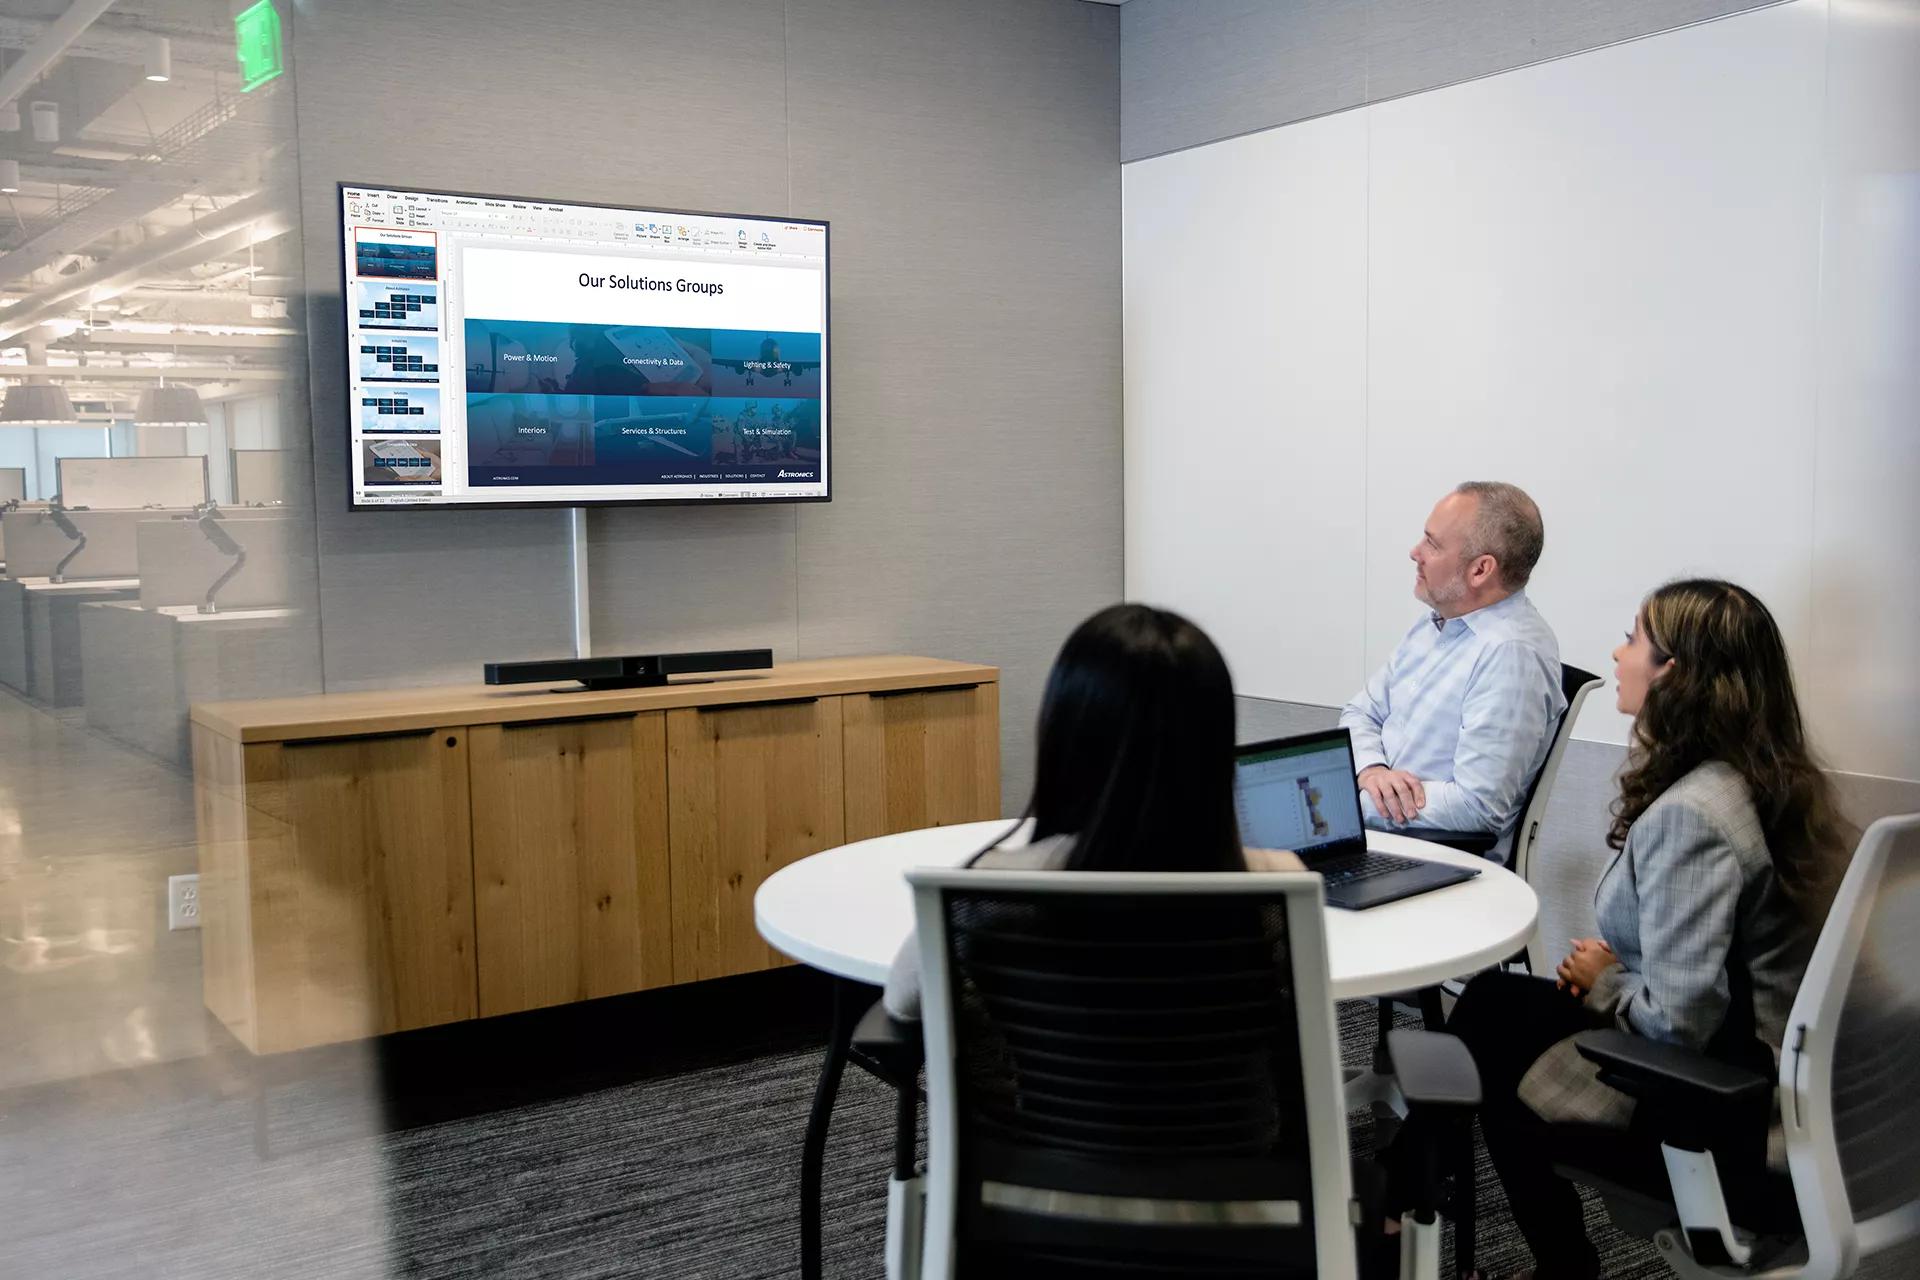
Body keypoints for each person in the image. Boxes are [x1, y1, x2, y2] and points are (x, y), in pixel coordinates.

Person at [1397, 579, 1852, 1280]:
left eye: (1633, 639)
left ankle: (1508, 1244)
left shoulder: (1693, 813)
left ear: (1675, 672)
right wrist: (1629, 959)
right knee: (1492, 1005)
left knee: (1500, 1062)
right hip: (1790, 1080)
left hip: (1720, 1110)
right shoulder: (1778, 782)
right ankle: (1410, 1191)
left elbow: (1678, 1024)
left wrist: (1608, 979)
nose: (1616, 652)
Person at [882, 602, 1302, 1022]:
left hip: (1046, 1091)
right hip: (1225, 1090)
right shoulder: (1275, 884)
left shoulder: (989, 891)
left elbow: (902, 1001)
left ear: (1064, 737)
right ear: (1213, 747)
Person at [1339, 481, 1564, 851]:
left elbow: (1478, 807)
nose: (1415, 552)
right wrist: (1371, 770)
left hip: (1435, 857)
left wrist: (1351, 805)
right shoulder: (1439, 620)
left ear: (1480, 570)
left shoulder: (1511, 654)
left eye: (1433, 543)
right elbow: (1361, 712)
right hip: (1384, 835)